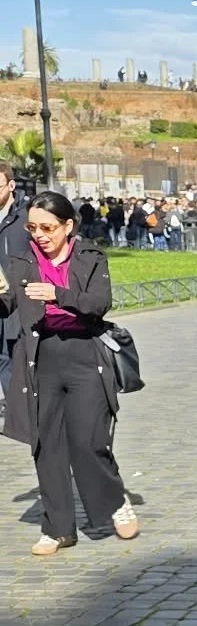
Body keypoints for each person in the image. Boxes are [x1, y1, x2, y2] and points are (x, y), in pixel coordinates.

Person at [0, 189, 138, 557]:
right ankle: (58, 528)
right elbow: (7, 304)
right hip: (40, 358)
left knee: (89, 440)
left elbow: (98, 303)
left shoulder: (89, 256)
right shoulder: (22, 262)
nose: (39, 235)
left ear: (68, 226)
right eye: (32, 228)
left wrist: (58, 294)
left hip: (84, 355)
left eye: (47, 228)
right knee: (46, 446)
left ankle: (114, 501)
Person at [0, 162, 28, 405]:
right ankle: (13, 408)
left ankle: (21, 408)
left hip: (17, 299)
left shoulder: (26, 217)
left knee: (15, 354)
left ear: (11, 185)